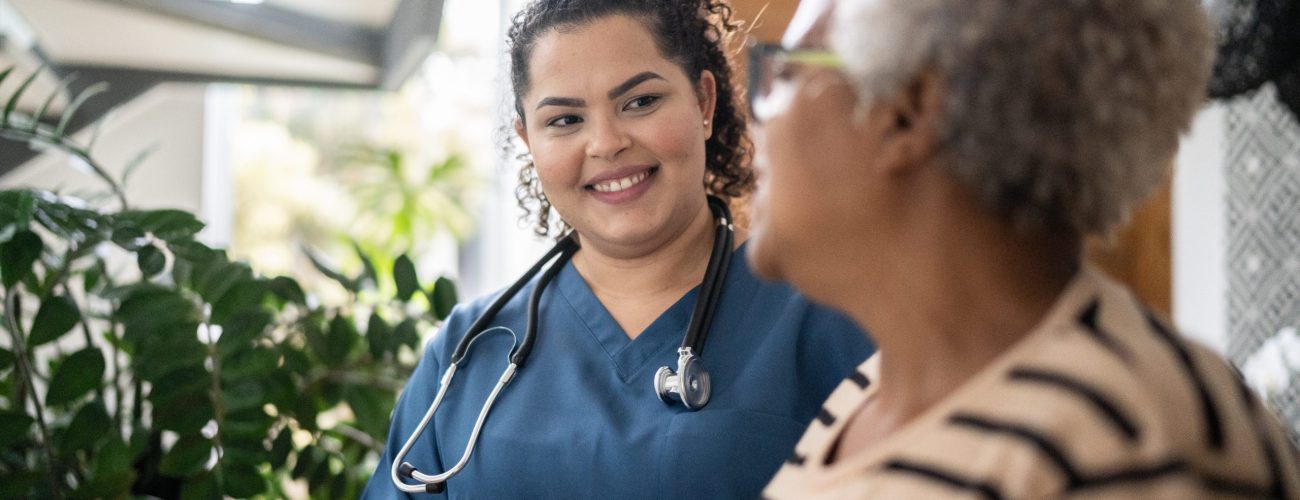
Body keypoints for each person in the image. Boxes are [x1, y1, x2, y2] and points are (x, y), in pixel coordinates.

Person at [747, 0, 1300, 498]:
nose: (757, 116)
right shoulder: (863, 396)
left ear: (904, 111)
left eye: (785, 73)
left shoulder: (1126, 438)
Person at [362, 0, 874, 497]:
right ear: (528, 140)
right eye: (564, 120)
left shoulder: (832, 313)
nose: (606, 143)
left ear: (703, 102)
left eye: (640, 102)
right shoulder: (470, 349)